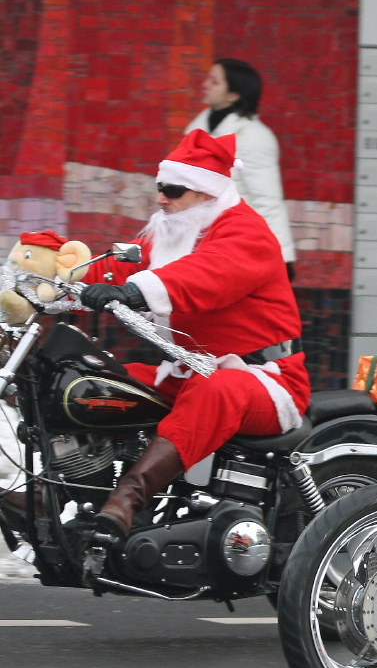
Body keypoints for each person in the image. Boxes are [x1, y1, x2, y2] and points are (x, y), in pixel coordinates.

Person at [74, 130, 308, 544]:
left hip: (266, 378)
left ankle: (128, 499)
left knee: (214, 389)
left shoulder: (246, 232)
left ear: (206, 194)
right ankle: (62, 496)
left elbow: (206, 275)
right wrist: (51, 274)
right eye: (161, 188)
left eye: (174, 190)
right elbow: (114, 270)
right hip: (186, 371)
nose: (162, 198)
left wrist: (131, 292)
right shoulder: (176, 233)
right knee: (96, 384)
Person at [185, 59, 297, 281]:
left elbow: (268, 201)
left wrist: (283, 255)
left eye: (214, 81)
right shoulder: (198, 129)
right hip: (194, 241)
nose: (205, 84)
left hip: (233, 244)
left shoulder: (254, 137)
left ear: (233, 95)